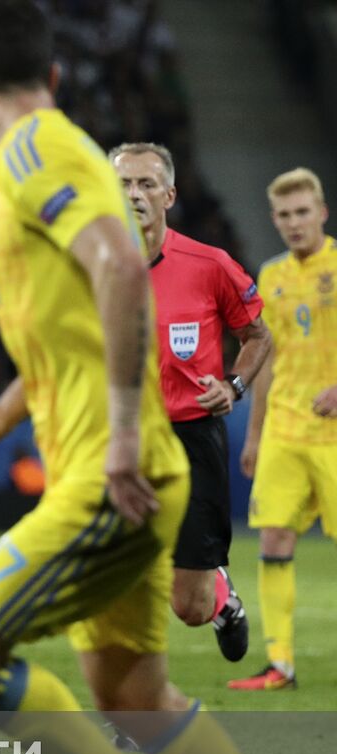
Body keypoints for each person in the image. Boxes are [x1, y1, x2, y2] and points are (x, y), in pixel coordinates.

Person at [0, 3, 333, 754]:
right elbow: (73, 320)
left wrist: (115, 434)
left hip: (112, 473)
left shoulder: (34, 153)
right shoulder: (45, 162)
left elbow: (118, 266)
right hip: (125, 462)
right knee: (135, 694)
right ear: (57, 76)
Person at [110, 142, 271, 662]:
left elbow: (258, 337)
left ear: (169, 195)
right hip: (123, 439)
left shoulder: (209, 265)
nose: (133, 194)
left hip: (191, 437)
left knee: (190, 606)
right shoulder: (89, 268)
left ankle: (221, 599)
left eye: (146, 184)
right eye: (123, 184)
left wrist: (235, 387)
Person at [231, 168, 337, 691]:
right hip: (285, 431)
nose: (295, 223)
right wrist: (253, 435)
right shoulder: (269, 277)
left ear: (322, 212)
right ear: (275, 220)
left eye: (303, 212)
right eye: (285, 215)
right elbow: (266, 361)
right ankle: (281, 665)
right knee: (272, 537)